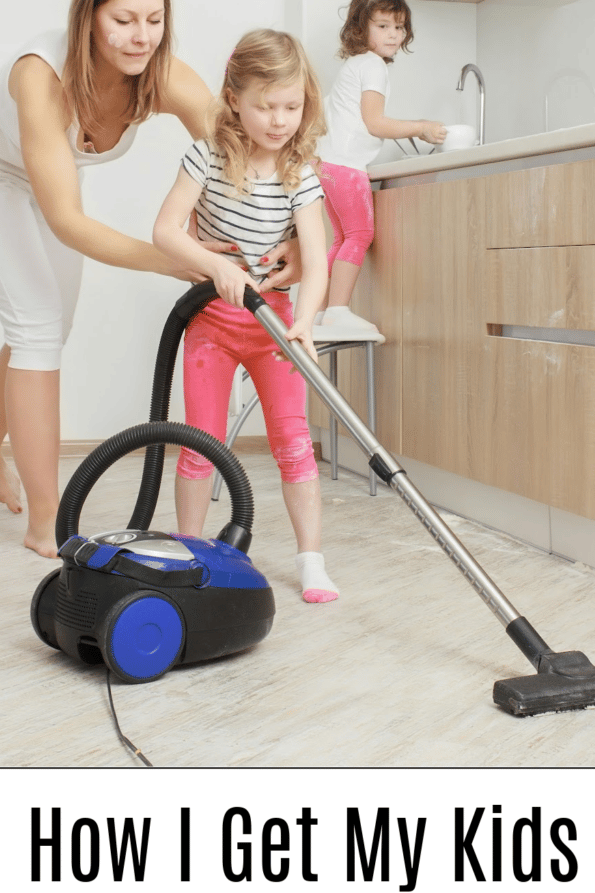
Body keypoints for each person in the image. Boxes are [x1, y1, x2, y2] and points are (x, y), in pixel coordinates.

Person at [0, 0, 300, 559]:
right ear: (88, 17)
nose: (140, 36)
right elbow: (67, 222)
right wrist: (174, 257)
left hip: (51, 175)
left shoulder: (162, 74)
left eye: (154, 19)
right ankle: (46, 522)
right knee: (36, 330)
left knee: (49, 325)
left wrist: (291, 229)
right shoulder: (40, 76)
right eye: (123, 20)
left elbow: (241, 148)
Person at [153, 28, 339, 604]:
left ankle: (311, 560)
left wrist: (303, 322)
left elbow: (316, 253)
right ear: (235, 98)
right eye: (265, 106)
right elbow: (164, 230)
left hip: (273, 327)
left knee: (293, 440)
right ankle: (189, 549)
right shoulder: (206, 155)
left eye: (291, 105)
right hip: (210, 323)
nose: (279, 119)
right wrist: (214, 264)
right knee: (200, 442)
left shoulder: (298, 171)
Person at [316, 0, 446, 335]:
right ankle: (336, 311)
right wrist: (422, 126)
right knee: (359, 235)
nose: (393, 34)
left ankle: (316, 312)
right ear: (361, 28)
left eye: (399, 27)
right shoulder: (373, 66)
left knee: (342, 238)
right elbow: (375, 123)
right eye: (383, 26)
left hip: (327, 165)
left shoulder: (356, 64)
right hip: (345, 166)